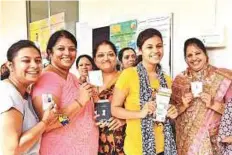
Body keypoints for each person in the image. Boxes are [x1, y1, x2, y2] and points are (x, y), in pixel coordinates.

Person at [111, 28, 178, 155]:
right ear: (140, 50)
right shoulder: (129, 74)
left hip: (164, 146)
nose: (155, 51)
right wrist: (140, 113)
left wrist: (172, 112)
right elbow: (114, 109)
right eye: (149, 47)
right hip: (137, 148)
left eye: (159, 46)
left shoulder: (167, 79)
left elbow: (166, 112)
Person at [32, 30, 99, 155]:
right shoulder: (47, 80)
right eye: (61, 48)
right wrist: (79, 102)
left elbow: (81, 110)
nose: (67, 53)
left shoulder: (72, 77)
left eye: (72, 49)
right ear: (50, 53)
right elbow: (50, 123)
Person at [171, 37, 232, 155]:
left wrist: (213, 104)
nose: (194, 58)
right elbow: (171, 114)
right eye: (189, 55)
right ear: (185, 59)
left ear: (205, 55)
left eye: (197, 53)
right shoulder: (179, 81)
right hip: (185, 143)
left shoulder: (222, 77)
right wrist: (183, 105)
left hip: (211, 141)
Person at [0, 40, 57, 155]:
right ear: (10, 65)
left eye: (38, 61)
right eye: (26, 60)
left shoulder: (28, 94)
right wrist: (45, 122)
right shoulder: (8, 94)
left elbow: (57, 118)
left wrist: (78, 114)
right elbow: (10, 151)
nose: (35, 65)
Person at [93, 40, 126, 155]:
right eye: (101, 55)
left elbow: (141, 108)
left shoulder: (126, 78)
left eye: (110, 54)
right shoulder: (90, 82)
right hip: (94, 143)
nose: (106, 58)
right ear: (95, 60)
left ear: (116, 57)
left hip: (122, 141)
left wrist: (123, 120)